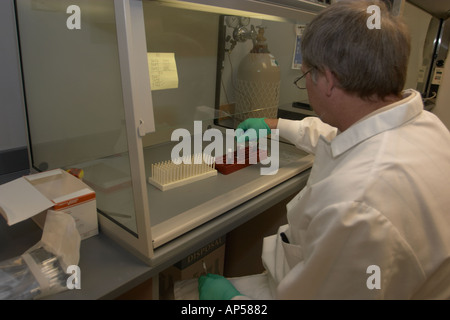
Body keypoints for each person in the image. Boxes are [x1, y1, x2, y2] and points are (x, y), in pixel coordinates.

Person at [198, 0, 450, 299]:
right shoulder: (426, 126)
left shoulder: (357, 205)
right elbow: (344, 137)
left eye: (305, 76)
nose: (306, 84)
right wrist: (275, 124)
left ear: (327, 80)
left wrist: (233, 303)